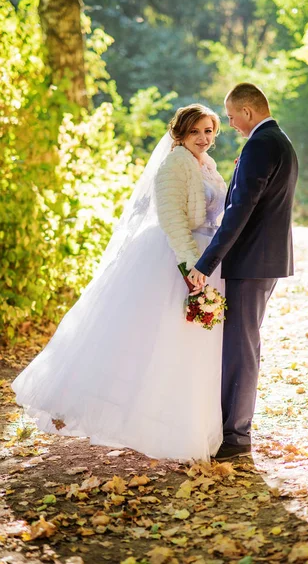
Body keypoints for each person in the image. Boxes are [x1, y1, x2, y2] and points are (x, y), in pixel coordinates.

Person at [11, 104, 227, 462]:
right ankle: (115, 410)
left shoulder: (207, 164)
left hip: (205, 257)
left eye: (209, 131)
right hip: (178, 257)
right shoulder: (174, 165)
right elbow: (173, 219)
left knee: (188, 346)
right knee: (154, 340)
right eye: (196, 132)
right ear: (180, 135)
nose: (204, 139)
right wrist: (192, 268)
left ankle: (182, 419)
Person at [189, 83, 299, 461]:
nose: (231, 124)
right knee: (243, 343)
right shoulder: (275, 140)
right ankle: (232, 428)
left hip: (251, 261)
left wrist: (205, 263)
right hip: (260, 261)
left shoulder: (262, 144)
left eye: (232, 116)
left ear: (249, 112)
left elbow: (240, 210)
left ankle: (236, 435)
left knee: (240, 347)